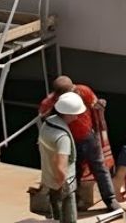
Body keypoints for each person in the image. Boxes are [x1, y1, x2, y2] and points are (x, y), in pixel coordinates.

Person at [38, 76, 119, 212]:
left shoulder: (82, 91)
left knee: (99, 167)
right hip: (68, 141)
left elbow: (95, 105)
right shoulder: (50, 102)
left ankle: (110, 199)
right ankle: (74, 201)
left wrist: (100, 105)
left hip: (88, 137)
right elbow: (44, 115)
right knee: (73, 172)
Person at [38, 91, 85, 223]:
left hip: (49, 180)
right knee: (68, 219)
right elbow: (61, 166)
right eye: (76, 113)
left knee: (55, 218)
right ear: (68, 114)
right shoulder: (63, 137)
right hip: (63, 186)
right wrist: (61, 185)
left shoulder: (47, 124)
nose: (77, 116)